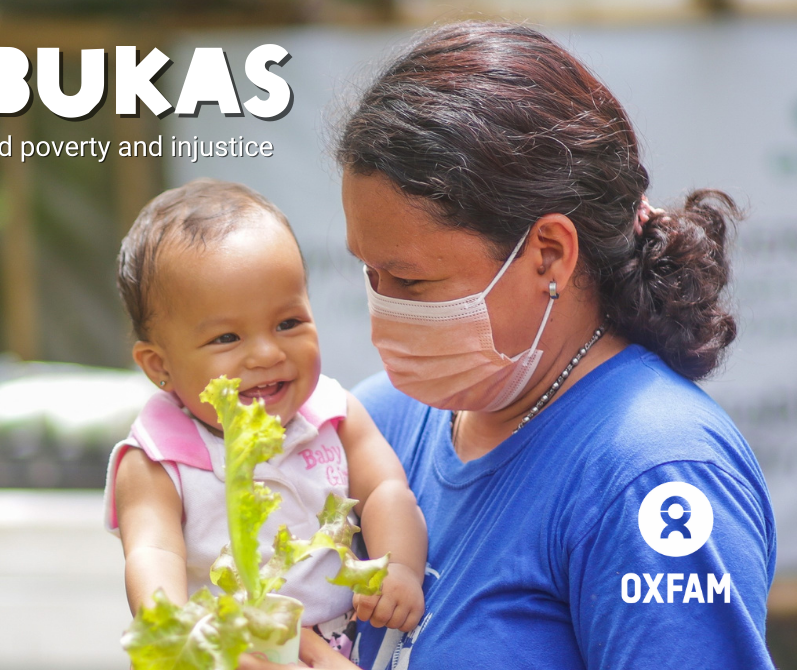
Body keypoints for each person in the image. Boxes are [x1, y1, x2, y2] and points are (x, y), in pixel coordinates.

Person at [301, 21, 776, 670]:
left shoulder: (653, 474)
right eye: (370, 273)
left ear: (549, 254)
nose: (382, 305)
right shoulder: (375, 427)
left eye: (410, 280)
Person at [103, 179, 429, 662]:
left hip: (345, 643)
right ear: (159, 366)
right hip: (236, 652)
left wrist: (399, 567)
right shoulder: (155, 459)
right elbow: (154, 554)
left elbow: (386, 491)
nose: (266, 353)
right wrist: (172, 631)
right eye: (227, 338)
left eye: (288, 323)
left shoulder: (333, 413)